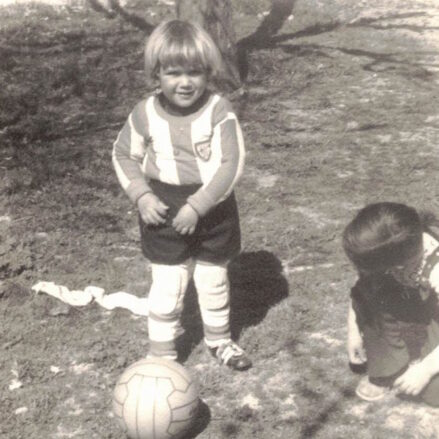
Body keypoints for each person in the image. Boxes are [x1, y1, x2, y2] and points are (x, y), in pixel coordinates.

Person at [112, 19, 251, 371]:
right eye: (174, 73)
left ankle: (219, 341)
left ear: (208, 72)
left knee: (212, 278)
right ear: (156, 74)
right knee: (169, 283)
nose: (185, 82)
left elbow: (231, 164)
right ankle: (162, 354)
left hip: (212, 206)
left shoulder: (219, 111)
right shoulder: (144, 113)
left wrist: (198, 206)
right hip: (162, 205)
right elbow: (123, 154)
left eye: (194, 72)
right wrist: (142, 196)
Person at [343, 202, 439, 406]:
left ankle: (423, 349)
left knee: (434, 393)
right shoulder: (389, 246)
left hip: (434, 308)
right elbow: (361, 287)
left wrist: (426, 369)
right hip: (414, 298)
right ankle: (388, 367)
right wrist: (353, 331)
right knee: (371, 288)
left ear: (398, 264)